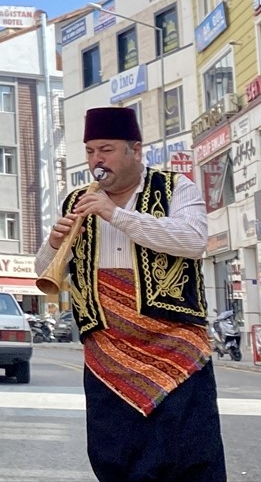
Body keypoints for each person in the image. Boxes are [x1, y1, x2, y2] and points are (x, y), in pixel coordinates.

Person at [35, 106, 224, 482]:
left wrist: (115, 214)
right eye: (90, 151)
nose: (96, 160)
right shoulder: (76, 200)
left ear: (135, 150)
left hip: (175, 347)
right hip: (107, 352)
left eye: (105, 149)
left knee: (188, 454)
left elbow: (192, 241)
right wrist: (54, 243)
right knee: (115, 455)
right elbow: (44, 270)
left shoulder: (177, 187)